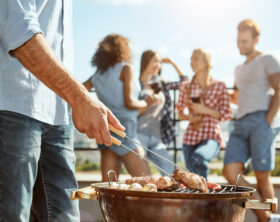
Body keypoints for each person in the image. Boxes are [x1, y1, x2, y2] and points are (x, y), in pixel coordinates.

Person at [0, 1, 124, 221]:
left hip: (58, 112)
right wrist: (79, 97)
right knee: (11, 215)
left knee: (66, 217)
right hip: (11, 105)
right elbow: (17, 29)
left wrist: (75, 99)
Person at [222, 19, 280, 222]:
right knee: (230, 173)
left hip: (260, 120)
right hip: (240, 122)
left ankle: (268, 219)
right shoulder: (238, 69)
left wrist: (267, 120)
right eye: (238, 41)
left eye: (245, 41)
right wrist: (223, 94)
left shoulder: (268, 59)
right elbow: (238, 97)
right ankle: (266, 217)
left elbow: (279, 88)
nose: (240, 45)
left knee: (262, 179)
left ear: (256, 39)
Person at [83, 34, 151, 181]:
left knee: (109, 189)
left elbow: (81, 91)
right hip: (125, 129)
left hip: (105, 128)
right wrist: (147, 102)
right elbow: (130, 103)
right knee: (147, 184)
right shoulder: (126, 68)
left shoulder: (97, 75)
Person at [177, 48, 232, 180]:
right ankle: (203, 196)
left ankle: (205, 193)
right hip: (190, 138)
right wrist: (188, 117)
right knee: (191, 179)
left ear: (207, 62)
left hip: (211, 137)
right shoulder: (185, 86)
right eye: (191, 59)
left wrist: (205, 110)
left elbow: (227, 114)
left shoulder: (219, 86)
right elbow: (179, 113)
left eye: (196, 58)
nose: (192, 62)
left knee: (199, 158)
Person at [137, 50, 187, 175]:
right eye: (155, 61)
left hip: (157, 136)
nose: (158, 65)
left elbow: (184, 83)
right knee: (143, 174)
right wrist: (148, 103)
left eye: (160, 62)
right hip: (138, 135)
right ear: (146, 62)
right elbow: (130, 112)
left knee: (170, 173)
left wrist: (172, 63)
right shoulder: (136, 85)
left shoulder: (161, 84)